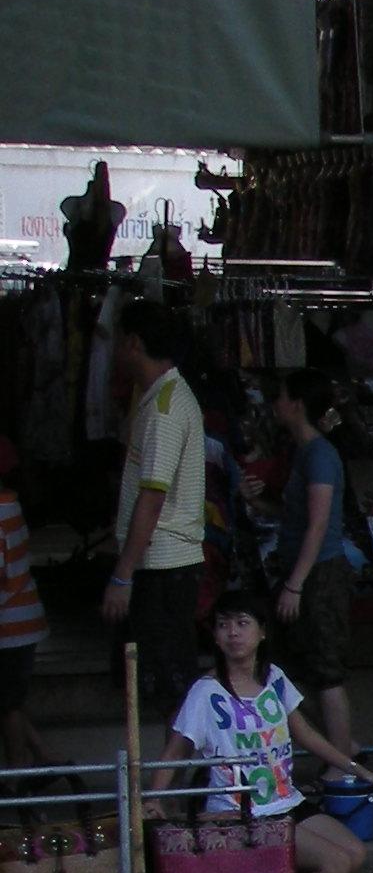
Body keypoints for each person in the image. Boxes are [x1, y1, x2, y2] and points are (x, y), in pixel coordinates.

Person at [160, 591, 373, 873]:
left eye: (242, 623)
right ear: (214, 636)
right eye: (223, 625)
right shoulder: (206, 692)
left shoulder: (275, 678)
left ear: (262, 632)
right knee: (334, 864)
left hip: (284, 800)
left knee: (355, 853)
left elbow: (306, 734)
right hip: (240, 810)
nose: (233, 633)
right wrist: (154, 799)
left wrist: (356, 769)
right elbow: (175, 750)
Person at [101, 300, 205, 729]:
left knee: (168, 685)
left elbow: (152, 497)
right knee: (161, 683)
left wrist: (123, 575)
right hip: (162, 563)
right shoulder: (160, 398)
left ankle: (179, 768)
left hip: (162, 566)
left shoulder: (165, 407)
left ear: (133, 343)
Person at [265, 372, 358, 775]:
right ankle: (343, 745)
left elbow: (318, 525)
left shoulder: (320, 454)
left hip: (319, 574)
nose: (276, 404)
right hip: (302, 570)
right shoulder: (302, 452)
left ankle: (341, 765)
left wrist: (295, 584)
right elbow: (297, 517)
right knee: (295, 668)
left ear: (298, 404)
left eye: (281, 396)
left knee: (325, 671)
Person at [0, 454, 40, 771]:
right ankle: (46, 757)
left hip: (9, 625)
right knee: (8, 697)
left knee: (8, 704)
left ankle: (17, 773)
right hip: (22, 619)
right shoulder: (10, 503)